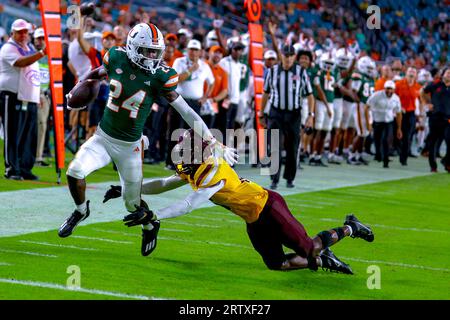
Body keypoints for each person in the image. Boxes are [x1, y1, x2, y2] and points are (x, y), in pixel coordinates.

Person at [57, 23, 237, 257]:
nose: (152, 56)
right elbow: (97, 73)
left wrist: (212, 141)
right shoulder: (115, 57)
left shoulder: (161, 77)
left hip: (130, 146)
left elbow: (187, 112)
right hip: (103, 137)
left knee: (131, 202)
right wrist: (80, 87)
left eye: (155, 51)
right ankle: (81, 211)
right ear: (133, 47)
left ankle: (151, 226)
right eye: (147, 51)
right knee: (75, 172)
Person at [104, 129, 375, 273]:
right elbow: (164, 184)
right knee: (276, 265)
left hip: (270, 207)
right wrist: (130, 188)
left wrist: (154, 216)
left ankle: (350, 227)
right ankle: (324, 261)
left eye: (186, 150)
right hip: (253, 219)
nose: (181, 155)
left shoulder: (213, 170)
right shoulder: (192, 167)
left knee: (309, 249)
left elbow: (189, 204)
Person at [260, 44, 314, 189]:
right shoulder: (272, 72)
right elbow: (265, 93)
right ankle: (274, 179)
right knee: (274, 146)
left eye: (291, 55)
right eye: (286, 55)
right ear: (281, 55)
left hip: (294, 114)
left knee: (292, 147)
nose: (288, 58)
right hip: (276, 113)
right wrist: (261, 112)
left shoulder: (301, 72)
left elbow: (310, 95)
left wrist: (310, 115)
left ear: (294, 57)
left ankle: (290, 178)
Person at [0, 19, 47, 180]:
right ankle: (12, 169)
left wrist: (38, 94)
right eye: (19, 32)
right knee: (13, 134)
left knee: (28, 135)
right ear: (12, 32)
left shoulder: (29, 48)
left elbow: (34, 73)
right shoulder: (8, 48)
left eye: (25, 32)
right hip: (12, 95)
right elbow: (20, 63)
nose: (23, 35)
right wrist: (41, 54)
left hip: (30, 96)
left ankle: (25, 168)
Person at [366, 80, 403, 168]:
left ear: (394, 90)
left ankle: (386, 160)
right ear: (384, 88)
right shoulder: (377, 95)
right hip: (377, 121)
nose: (389, 91)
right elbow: (367, 107)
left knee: (386, 140)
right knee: (377, 140)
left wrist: (399, 128)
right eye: (387, 89)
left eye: (391, 89)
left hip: (388, 122)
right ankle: (378, 155)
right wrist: (369, 123)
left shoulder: (396, 98)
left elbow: (398, 113)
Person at [421, 68, 450, 173]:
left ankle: (447, 162)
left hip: (448, 119)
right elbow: (423, 92)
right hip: (435, 118)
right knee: (433, 143)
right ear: (443, 75)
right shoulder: (435, 85)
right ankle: (433, 167)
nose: (449, 75)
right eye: (448, 73)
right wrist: (426, 104)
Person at [395, 67, 422, 165]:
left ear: (416, 75)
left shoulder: (418, 87)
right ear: (405, 73)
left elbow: (420, 101)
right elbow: (393, 97)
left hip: (411, 113)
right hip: (399, 112)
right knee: (397, 135)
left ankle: (404, 157)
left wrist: (420, 114)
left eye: (414, 71)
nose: (412, 73)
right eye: (410, 71)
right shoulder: (398, 84)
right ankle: (396, 150)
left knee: (408, 136)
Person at [33, 27, 51, 167]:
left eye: (42, 38)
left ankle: (37, 156)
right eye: (38, 38)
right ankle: (35, 157)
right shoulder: (31, 54)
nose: (40, 41)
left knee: (42, 126)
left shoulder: (49, 56)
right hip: (35, 95)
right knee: (39, 125)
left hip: (45, 96)